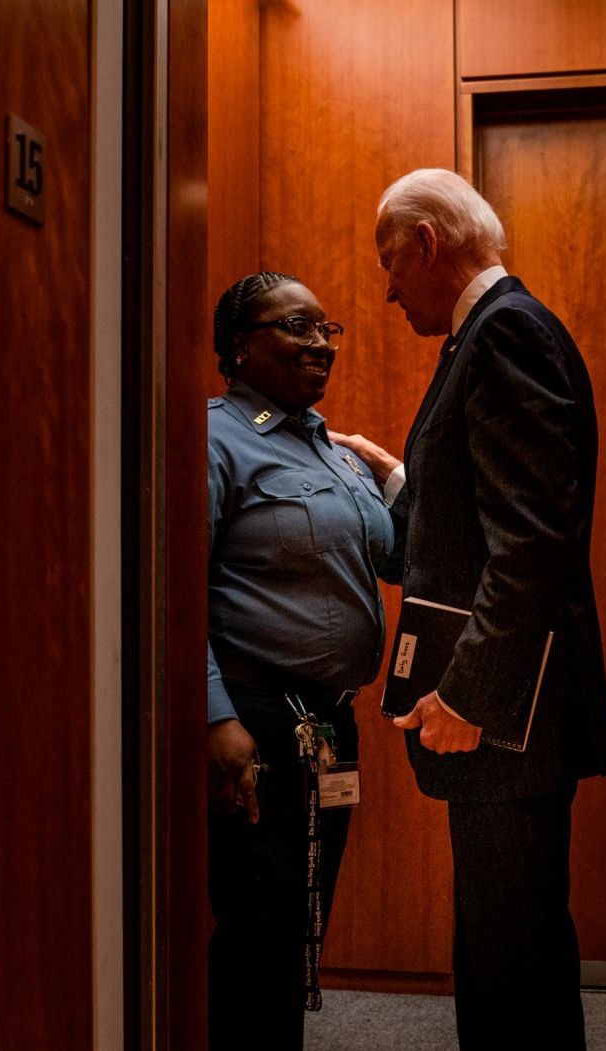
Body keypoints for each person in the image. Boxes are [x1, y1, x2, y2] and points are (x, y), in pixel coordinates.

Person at [332, 168, 606, 1049]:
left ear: (425, 244)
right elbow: (487, 509)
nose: (386, 289)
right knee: (510, 941)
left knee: (510, 955)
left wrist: (467, 697)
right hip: (512, 715)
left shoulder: (505, 336)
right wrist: (398, 477)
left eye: (390, 261)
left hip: (507, 717)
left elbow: (530, 542)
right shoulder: (487, 336)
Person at [205, 271, 404, 1049]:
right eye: (296, 326)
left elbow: (402, 558)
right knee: (257, 929)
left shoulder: (334, 448)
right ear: (239, 347)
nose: (320, 343)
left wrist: (393, 476)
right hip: (254, 721)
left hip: (327, 726)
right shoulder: (216, 436)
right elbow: (171, 592)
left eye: (327, 328)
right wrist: (216, 715)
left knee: (299, 922)